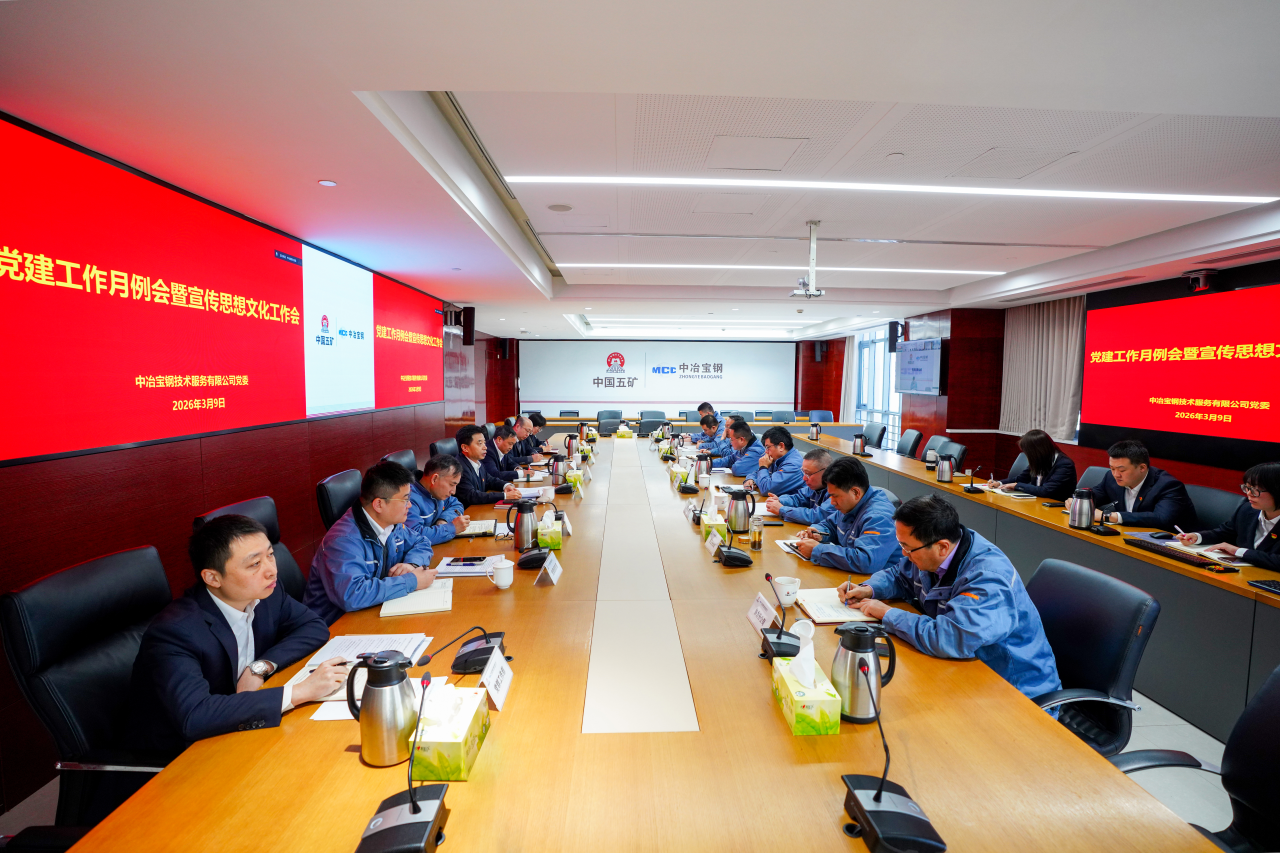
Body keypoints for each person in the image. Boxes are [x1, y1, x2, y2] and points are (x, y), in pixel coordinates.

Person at [130, 515, 345, 757]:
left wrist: (260, 667)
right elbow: (195, 716)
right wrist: (300, 692)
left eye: (270, 555)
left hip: (242, 727)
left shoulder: (266, 594)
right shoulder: (175, 632)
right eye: (255, 564)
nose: (271, 571)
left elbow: (313, 627)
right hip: (182, 755)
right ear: (213, 578)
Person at [838, 495, 1061, 704]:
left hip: (1016, 691)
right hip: (965, 669)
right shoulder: (933, 549)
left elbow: (950, 638)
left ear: (942, 547)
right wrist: (869, 589)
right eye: (901, 544)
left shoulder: (988, 579)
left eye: (907, 547)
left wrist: (887, 613)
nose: (903, 553)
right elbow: (899, 574)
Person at [304, 461, 439, 625]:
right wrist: (412, 581)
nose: (409, 505)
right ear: (379, 504)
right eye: (405, 499)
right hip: (335, 625)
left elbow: (421, 541)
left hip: (372, 611)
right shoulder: (342, 540)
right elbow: (352, 594)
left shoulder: (391, 523)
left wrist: (412, 564)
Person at [790, 456, 901, 573]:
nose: (832, 502)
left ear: (855, 492)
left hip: (877, 579)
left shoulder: (879, 517)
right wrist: (818, 533)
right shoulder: (849, 504)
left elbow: (865, 560)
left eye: (835, 496)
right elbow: (831, 525)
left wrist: (817, 550)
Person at [1067, 439, 1197, 531]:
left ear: (1142, 468)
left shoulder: (1168, 485)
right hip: (1129, 535)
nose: (1116, 474)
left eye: (1122, 470)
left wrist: (1108, 516)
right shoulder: (1111, 478)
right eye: (1112, 468)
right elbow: (1096, 494)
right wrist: (1078, 501)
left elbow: (1161, 519)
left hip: (1174, 544)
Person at [1177, 461, 1280, 572]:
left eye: (1256, 490)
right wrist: (1197, 537)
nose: (1249, 493)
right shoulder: (1247, 509)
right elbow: (1226, 533)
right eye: (1247, 488)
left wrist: (1238, 551)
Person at [987, 429, 1077, 500]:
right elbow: (1021, 478)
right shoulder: (1040, 460)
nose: (1027, 456)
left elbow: (1046, 491)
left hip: (1055, 506)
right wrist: (999, 483)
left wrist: (1016, 485)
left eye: (1028, 453)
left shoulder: (1064, 465)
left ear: (1037, 451)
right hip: (1037, 501)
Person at [407, 454, 470, 544]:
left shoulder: (436, 492)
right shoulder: (408, 499)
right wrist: (452, 528)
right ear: (434, 479)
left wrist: (444, 520)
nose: (453, 491)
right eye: (451, 484)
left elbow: (455, 504)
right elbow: (414, 536)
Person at [766, 447, 838, 525]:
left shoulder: (837, 492)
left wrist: (782, 510)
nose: (804, 478)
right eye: (804, 473)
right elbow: (799, 498)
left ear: (826, 472)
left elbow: (817, 516)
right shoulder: (815, 486)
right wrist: (780, 500)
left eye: (808, 474)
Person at [455, 424, 522, 507]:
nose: (485, 447)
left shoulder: (477, 462)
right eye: (480, 443)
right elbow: (472, 496)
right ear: (465, 448)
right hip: (468, 512)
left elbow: (490, 480)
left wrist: (505, 485)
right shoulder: (459, 468)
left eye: (484, 443)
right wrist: (504, 496)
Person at [743, 426, 804, 496]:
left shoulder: (793, 465)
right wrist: (751, 479)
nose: (766, 452)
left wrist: (763, 467)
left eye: (768, 447)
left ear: (781, 446)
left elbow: (766, 489)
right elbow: (757, 473)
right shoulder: (777, 458)